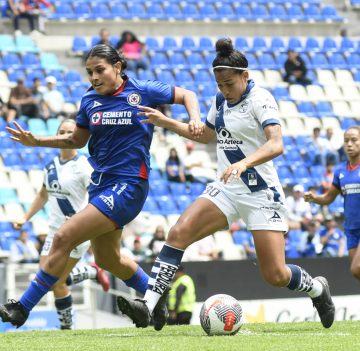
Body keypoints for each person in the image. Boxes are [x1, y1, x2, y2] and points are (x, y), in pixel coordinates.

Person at [117, 38, 335, 330]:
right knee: (178, 232)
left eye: (229, 84)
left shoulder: (261, 99)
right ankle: (149, 304)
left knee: (276, 275)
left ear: (245, 76)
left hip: (260, 193)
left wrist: (244, 162)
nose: (224, 90)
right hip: (227, 189)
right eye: (220, 84)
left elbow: (276, 144)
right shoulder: (219, 100)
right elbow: (207, 136)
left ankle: (318, 290)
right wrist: (165, 122)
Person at [1, 43, 202, 331]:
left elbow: (187, 94)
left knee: (64, 236)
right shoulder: (89, 101)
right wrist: (39, 142)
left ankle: (22, 307)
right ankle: (156, 296)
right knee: (108, 259)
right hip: (101, 185)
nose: (93, 77)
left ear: (117, 67)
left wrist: (194, 119)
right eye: (89, 72)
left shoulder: (142, 90)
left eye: (100, 70)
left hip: (130, 184)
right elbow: (76, 142)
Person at [11, 119, 110, 329]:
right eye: (62, 132)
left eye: (69, 133)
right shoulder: (50, 166)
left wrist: (88, 221)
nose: (65, 136)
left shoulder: (84, 166)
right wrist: (25, 218)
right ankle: (90, 273)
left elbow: (96, 197)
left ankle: (67, 326)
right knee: (49, 281)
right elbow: (43, 194)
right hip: (53, 232)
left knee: (52, 280)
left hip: (76, 232)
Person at [305, 126, 360, 279]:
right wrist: (314, 198)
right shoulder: (340, 171)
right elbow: (329, 197)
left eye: (354, 140)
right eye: (346, 141)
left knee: (357, 268)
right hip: (351, 228)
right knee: (356, 273)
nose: (349, 144)